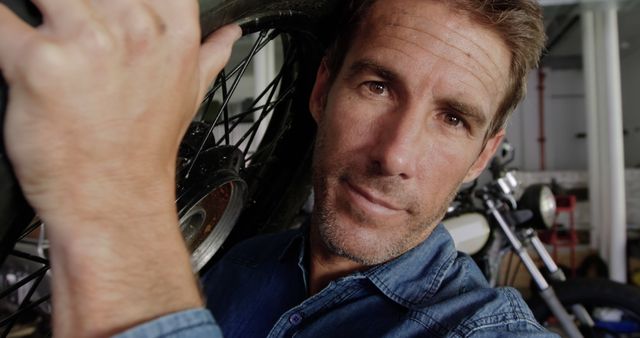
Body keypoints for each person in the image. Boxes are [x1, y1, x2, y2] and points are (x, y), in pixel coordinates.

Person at [0, 0, 550, 337]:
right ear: (320, 90)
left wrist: (123, 191)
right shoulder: (238, 262)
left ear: (483, 154)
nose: (395, 155)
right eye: (377, 87)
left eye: (452, 119)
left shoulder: (481, 331)